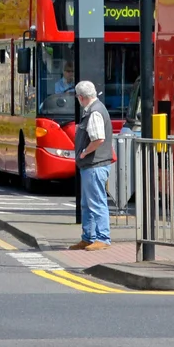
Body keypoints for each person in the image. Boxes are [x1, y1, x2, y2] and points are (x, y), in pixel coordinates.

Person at [71, 80, 113, 251]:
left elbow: (98, 139)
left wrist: (84, 152)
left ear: (81, 97)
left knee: (96, 202)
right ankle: (88, 237)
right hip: (91, 166)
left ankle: (103, 238)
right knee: (87, 204)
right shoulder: (95, 109)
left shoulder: (94, 112)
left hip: (94, 165)